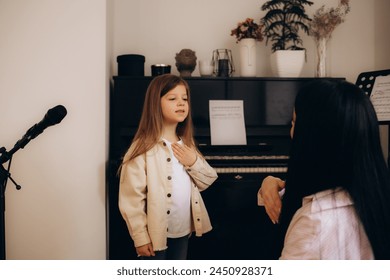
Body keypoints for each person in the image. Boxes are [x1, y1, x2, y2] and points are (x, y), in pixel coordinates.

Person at [258, 79, 390, 259]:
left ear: (314, 137)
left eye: (294, 123)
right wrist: (268, 182)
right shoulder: (371, 195)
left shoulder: (314, 222)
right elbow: (290, 195)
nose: (291, 133)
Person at [118, 74, 217, 260]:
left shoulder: (187, 144)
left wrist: (193, 162)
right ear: (156, 104)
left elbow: (209, 179)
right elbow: (131, 199)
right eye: (172, 98)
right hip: (156, 234)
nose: (181, 103)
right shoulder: (142, 148)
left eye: (185, 99)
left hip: (183, 229)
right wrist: (140, 237)